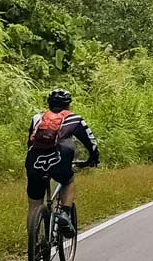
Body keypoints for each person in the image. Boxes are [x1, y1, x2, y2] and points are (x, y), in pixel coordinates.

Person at [25, 89, 99, 238]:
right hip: (59, 158)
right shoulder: (75, 119)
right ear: (68, 104)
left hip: (34, 160)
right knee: (68, 180)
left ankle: (35, 242)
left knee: (34, 204)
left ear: (49, 103)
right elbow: (90, 142)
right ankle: (65, 214)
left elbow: (30, 142)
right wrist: (93, 157)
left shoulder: (37, 118)